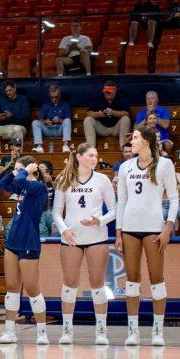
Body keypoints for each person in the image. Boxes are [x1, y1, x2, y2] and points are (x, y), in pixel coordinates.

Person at [115, 126, 179, 347]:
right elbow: (121, 201)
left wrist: (167, 228)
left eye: (135, 138)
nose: (131, 142)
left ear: (147, 141)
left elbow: (174, 198)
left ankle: (157, 331)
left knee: (156, 279)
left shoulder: (165, 164)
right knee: (132, 280)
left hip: (154, 227)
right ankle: (133, 331)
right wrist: (118, 232)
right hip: (130, 227)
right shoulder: (125, 167)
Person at [53, 144, 116, 345]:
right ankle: (67, 330)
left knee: (97, 284)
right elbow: (56, 212)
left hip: (97, 237)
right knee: (69, 284)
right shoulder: (64, 179)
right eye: (91, 155)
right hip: (71, 239)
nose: (94, 158)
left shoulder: (103, 180)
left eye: (96, 156)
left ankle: (101, 331)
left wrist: (100, 221)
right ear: (79, 157)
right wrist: (64, 230)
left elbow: (114, 210)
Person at [0, 156, 48, 345]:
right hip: (13, 241)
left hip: (29, 241)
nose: (17, 173)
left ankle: (42, 332)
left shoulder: (38, 188)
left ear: (31, 170)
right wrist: (15, 170)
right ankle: (9, 331)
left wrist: (25, 171)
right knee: (11, 288)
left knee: (32, 289)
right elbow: (2, 184)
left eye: (20, 169)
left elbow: (19, 181)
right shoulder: (21, 185)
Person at [83, 80, 132, 148]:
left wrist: (113, 112)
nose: (107, 94)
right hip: (102, 129)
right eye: (106, 92)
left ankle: (124, 148)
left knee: (126, 119)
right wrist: (98, 114)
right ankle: (91, 149)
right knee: (88, 120)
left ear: (115, 91)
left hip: (116, 129)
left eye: (109, 92)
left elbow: (127, 114)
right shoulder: (98, 99)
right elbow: (88, 113)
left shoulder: (121, 99)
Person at [0, 81, 30, 153]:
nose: (8, 93)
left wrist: (12, 116)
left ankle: (18, 155)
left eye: (10, 90)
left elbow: (25, 117)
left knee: (17, 129)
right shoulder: (2, 99)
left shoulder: (23, 99)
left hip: (19, 127)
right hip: (5, 127)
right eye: (6, 91)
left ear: (15, 89)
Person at [32, 84, 73, 153]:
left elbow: (68, 120)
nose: (54, 99)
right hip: (48, 129)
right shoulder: (46, 104)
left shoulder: (65, 104)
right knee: (35, 122)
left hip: (59, 129)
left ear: (59, 95)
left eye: (56, 97)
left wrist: (59, 120)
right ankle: (39, 147)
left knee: (67, 120)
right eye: (52, 97)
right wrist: (46, 122)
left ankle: (65, 146)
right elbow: (40, 119)